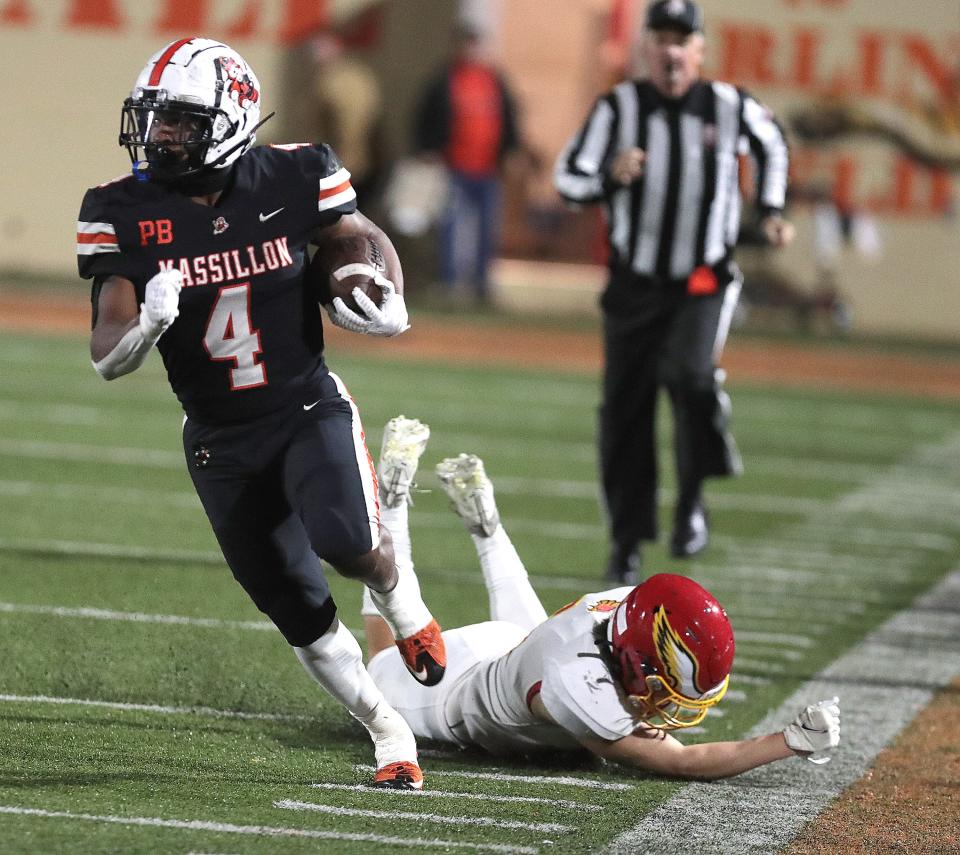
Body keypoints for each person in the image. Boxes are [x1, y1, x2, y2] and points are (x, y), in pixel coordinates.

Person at [76, 37, 446, 790]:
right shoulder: (120, 209)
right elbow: (106, 351)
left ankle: (405, 605)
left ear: (231, 119)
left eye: (179, 121)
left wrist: (387, 295)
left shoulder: (297, 171)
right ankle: (387, 725)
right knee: (298, 608)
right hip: (218, 437)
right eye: (154, 120)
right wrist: (145, 324)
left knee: (348, 543)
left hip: (303, 402)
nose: (160, 136)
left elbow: (359, 237)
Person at [360, 416, 841, 779]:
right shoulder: (580, 685)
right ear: (633, 656)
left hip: (516, 651)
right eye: (660, 681)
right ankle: (398, 502)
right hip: (445, 698)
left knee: (533, 647)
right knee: (381, 656)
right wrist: (788, 741)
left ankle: (479, 526)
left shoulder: (624, 608)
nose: (661, 698)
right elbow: (686, 761)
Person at [553, 0, 795, 584]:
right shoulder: (619, 108)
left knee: (690, 377)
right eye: (659, 37)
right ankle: (626, 541)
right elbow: (569, 178)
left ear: (700, 51)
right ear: (645, 48)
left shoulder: (729, 104)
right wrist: (611, 176)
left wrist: (770, 210)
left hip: (702, 279)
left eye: (681, 39)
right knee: (625, 413)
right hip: (634, 284)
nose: (670, 50)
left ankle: (691, 502)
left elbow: (773, 145)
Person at [413, 20, 521, 305]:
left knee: (486, 230)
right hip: (455, 168)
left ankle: (481, 285)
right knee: (451, 229)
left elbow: (509, 119)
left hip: (487, 169)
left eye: (476, 43)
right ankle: (449, 283)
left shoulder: (493, 80)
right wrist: (427, 149)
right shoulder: (445, 79)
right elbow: (425, 117)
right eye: (467, 43)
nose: (471, 49)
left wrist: (511, 152)